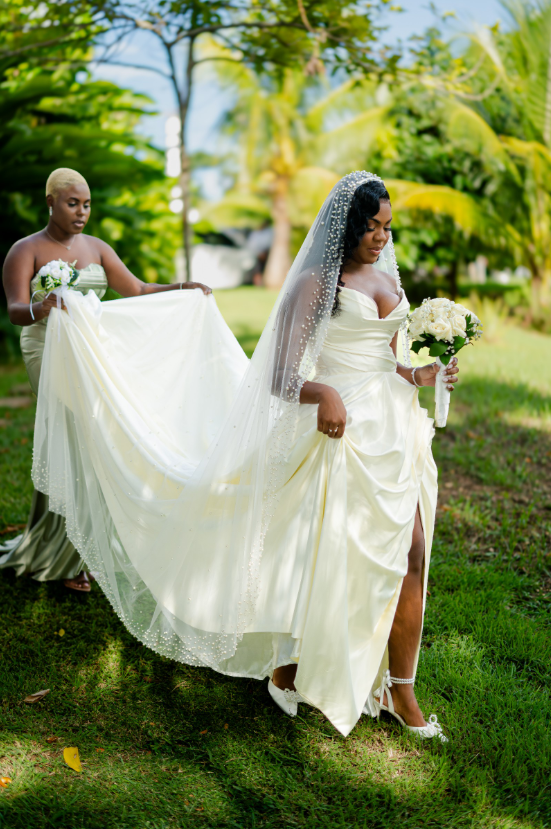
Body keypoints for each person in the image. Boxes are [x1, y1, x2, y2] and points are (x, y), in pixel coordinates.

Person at [30, 171, 458, 740]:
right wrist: (324, 392)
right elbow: (278, 377)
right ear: (349, 226)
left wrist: (420, 372)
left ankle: (399, 690)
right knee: (330, 561)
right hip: (339, 433)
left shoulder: (383, 275)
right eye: (372, 226)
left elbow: (385, 357)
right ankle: (290, 669)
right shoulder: (315, 284)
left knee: (411, 556)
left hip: (392, 428)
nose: (382, 237)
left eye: (387, 226)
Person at [1, 167, 211, 593]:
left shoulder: (97, 248)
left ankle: (60, 545)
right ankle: (66, 557)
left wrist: (182, 287)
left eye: (87, 204)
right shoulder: (26, 250)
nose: (82, 212)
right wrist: (43, 308)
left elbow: (135, 288)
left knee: (87, 439)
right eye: (72, 203)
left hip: (91, 352)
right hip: (46, 348)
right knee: (76, 436)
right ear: (51, 202)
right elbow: (15, 311)